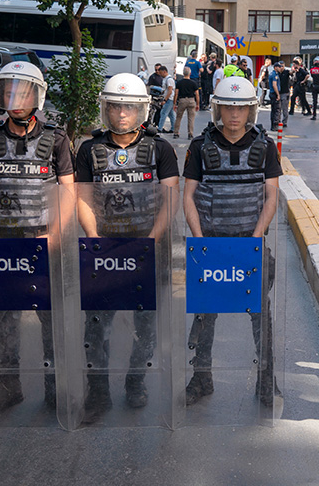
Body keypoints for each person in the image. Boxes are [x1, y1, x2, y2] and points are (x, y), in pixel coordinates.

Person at [0, 61, 75, 420]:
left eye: (23, 91)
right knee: (5, 317)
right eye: (8, 91)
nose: (15, 99)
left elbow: (69, 192)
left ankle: (54, 388)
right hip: (2, 243)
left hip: (43, 242)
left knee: (49, 316)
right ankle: (8, 387)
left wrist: (55, 236)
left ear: (37, 96)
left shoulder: (57, 140)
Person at [74, 73, 179, 423]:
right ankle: (98, 390)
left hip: (147, 250)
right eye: (116, 106)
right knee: (96, 326)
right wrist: (95, 240)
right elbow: (83, 198)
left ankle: (135, 382)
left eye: (129, 107)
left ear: (142, 111)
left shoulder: (160, 149)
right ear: (106, 109)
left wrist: (151, 240)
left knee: (145, 324)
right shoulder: (90, 150)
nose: (122, 114)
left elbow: (170, 200)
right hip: (104, 249)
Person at [182, 76, 282, 406]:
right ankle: (202, 377)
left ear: (251, 111)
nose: (234, 114)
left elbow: (271, 196)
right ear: (218, 109)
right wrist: (200, 243)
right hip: (211, 244)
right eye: (228, 107)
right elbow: (189, 196)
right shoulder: (199, 147)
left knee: (260, 316)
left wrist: (254, 242)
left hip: (249, 247)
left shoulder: (265, 147)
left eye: (240, 108)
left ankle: (266, 380)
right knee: (205, 315)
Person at [174, 66, 200, 139]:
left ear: (183, 73)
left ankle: (176, 133)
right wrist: (197, 104)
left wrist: (174, 103)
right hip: (191, 100)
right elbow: (197, 94)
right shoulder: (194, 83)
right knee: (191, 118)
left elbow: (176, 94)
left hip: (182, 100)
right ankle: (190, 134)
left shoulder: (179, 83)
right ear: (190, 73)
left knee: (178, 117)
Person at [270, 60, 291, 129]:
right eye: (279, 66)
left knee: (283, 108)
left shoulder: (286, 72)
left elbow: (291, 73)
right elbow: (274, 85)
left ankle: (283, 122)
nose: (280, 68)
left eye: (282, 66)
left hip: (284, 92)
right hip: (277, 93)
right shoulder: (276, 74)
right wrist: (278, 94)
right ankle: (275, 123)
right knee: (276, 110)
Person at [159, 65, 176, 133]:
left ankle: (160, 128)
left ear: (164, 72)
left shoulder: (169, 80)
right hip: (169, 99)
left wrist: (165, 100)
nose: (160, 74)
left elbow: (170, 91)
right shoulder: (166, 79)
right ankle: (174, 128)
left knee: (163, 113)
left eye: (160, 73)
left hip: (169, 99)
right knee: (171, 115)